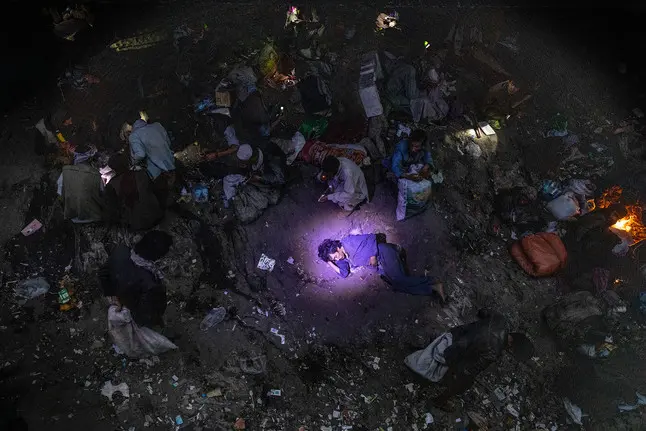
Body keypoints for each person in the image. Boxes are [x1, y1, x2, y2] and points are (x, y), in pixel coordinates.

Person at [405, 309, 534, 411]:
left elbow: (483, 312)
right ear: (511, 347)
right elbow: (471, 370)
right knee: (464, 384)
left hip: (455, 334)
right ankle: (439, 401)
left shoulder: (501, 320)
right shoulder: (493, 352)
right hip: (451, 352)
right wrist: (461, 379)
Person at [317, 234, 445, 301]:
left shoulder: (349, 241)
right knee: (396, 286)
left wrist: (372, 255)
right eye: (334, 259)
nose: (337, 259)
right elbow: (344, 273)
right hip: (380, 265)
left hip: (384, 252)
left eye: (335, 256)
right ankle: (431, 288)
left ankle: (433, 280)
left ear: (337, 248)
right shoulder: (341, 258)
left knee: (399, 279)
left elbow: (371, 237)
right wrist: (329, 262)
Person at [99, 231, 173, 328]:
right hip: (135, 310)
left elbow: (103, 274)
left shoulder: (121, 251)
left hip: (121, 296)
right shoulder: (151, 283)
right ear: (157, 256)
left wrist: (112, 295)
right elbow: (148, 314)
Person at [104, 153, 163, 231]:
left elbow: (112, 210)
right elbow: (155, 191)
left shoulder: (111, 185)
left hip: (135, 225)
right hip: (155, 216)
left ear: (112, 168)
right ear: (127, 163)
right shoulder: (142, 174)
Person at [57, 144, 105, 223]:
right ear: (89, 158)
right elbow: (102, 194)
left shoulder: (65, 172)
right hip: (93, 217)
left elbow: (59, 194)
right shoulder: (96, 174)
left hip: (73, 217)